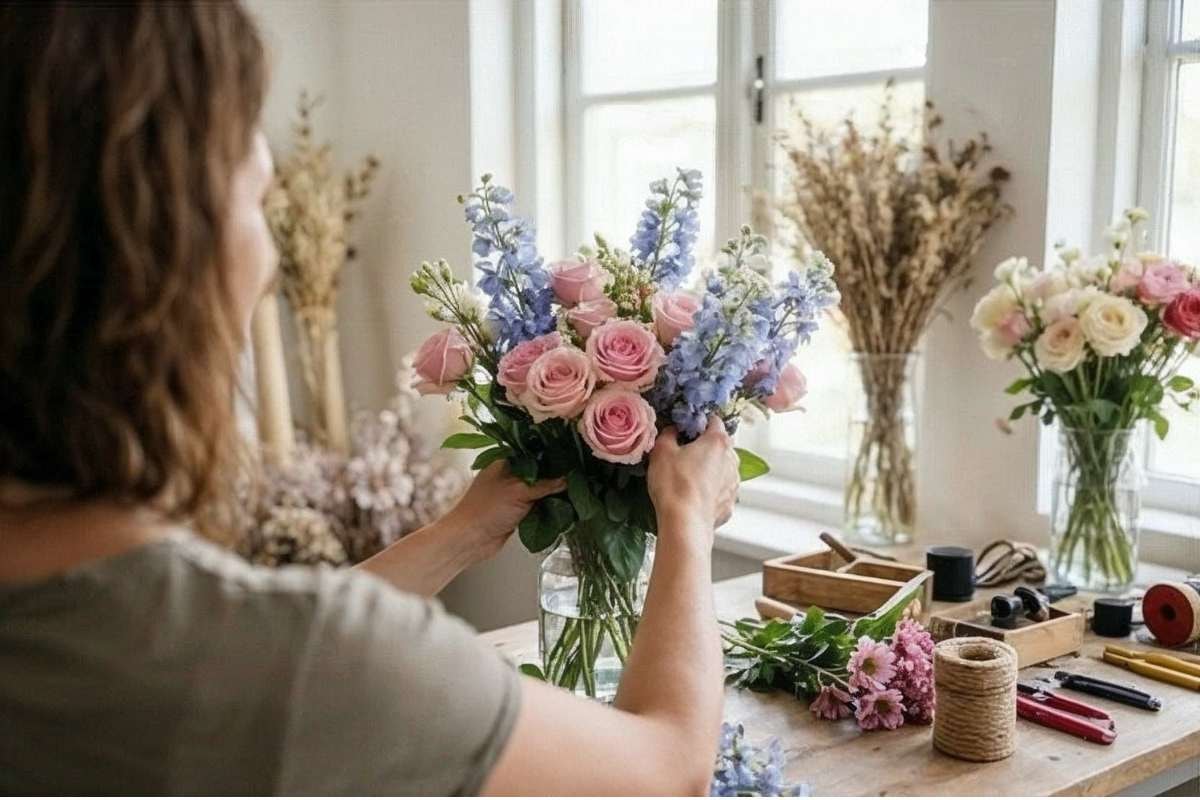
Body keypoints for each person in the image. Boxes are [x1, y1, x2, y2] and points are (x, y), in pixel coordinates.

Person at [0, 2, 740, 795]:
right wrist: (687, 522)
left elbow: (256, 646)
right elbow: (666, 772)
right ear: (164, 265)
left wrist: (459, 535)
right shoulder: (305, 659)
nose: (270, 257)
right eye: (258, 200)